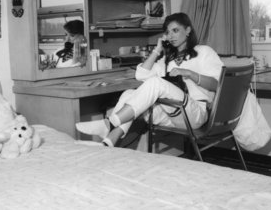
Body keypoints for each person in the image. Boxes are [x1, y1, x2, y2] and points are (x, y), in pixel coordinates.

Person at [76, 12, 224, 147]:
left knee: (156, 83)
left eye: (175, 30)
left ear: (188, 30)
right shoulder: (168, 60)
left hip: (196, 114)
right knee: (129, 93)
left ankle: (109, 123)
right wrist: (157, 50)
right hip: (173, 114)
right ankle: (107, 143)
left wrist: (190, 74)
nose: (171, 36)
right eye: (167, 32)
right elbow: (141, 74)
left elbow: (218, 84)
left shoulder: (203, 52)